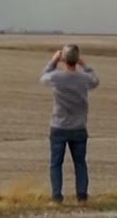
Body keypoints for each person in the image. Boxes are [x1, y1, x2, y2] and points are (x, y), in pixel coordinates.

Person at [39, 43, 99, 203]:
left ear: (63, 60)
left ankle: (57, 197)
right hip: (79, 127)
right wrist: (85, 65)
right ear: (77, 59)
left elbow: (43, 77)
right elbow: (95, 81)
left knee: (56, 164)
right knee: (80, 163)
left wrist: (53, 61)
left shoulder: (56, 77)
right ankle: (82, 196)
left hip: (58, 126)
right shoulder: (84, 78)